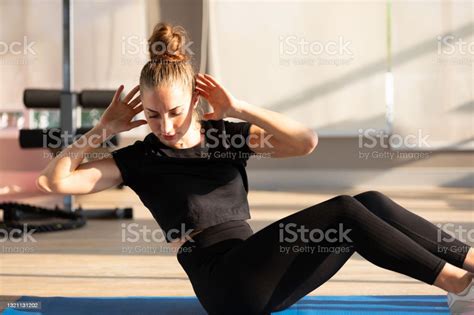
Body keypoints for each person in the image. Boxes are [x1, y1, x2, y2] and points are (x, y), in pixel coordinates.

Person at [36, 22, 474, 315]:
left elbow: (304, 142)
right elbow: (54, 181)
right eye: (151, 115)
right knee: (343, 210)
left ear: (194, 102)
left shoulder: (226, 136)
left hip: (265, 272)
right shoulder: (139, 159)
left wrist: (238, 108)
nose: (163, 125)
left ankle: (471, 264)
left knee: (370, 202)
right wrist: (103, 128)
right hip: (226, 286)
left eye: (173, 111)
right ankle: (459, 285)